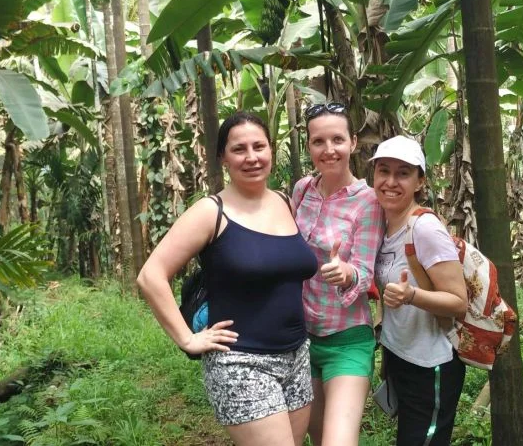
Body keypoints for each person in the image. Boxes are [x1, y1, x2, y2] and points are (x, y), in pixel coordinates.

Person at [137, 112, 317, 446]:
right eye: (239, 149)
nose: (251, 157)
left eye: (259, 146)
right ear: (223, 157)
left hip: (296, 356)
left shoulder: (284, 202)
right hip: (240, 362)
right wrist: (187, 339)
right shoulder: (211, 211)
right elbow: (151, 275)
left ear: (271, 149)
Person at [290, 102, 383, 446]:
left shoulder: (368, 201)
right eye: (319, 141)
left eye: (337, 140)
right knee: (315, 436)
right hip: (300, 338)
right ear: (309, 145)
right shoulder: (302, 190)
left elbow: (364, 272)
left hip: (347, 339)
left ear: (353, 142)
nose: (328, 149)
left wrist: (346, 273)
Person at [370, 135, 469, 446]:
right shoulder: (382, 223)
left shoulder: (425, 229)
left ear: (420, 181)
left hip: (432, 364)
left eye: (403, 173)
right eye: (383, 171)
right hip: (401, 357)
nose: (390, 182)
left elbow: (459, 302)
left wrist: (411, 296)